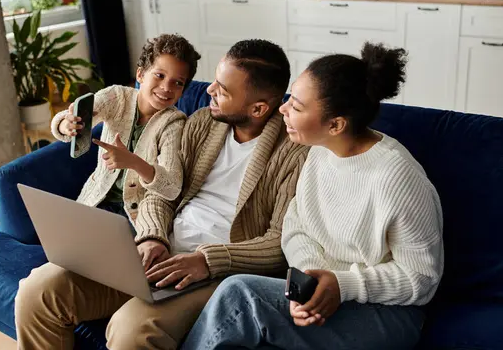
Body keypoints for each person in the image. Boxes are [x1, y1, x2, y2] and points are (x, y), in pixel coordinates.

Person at [14, 39, 309, 350]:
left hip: (216, 271)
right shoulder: (201, 124)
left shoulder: (296, 154)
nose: (208, 91)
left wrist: (206, 261)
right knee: (39, 292)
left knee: (131, 331)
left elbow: (280, 242)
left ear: (258, 108)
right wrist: (153, 236)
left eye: (222, 89)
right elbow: (163, 191)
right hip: (159, 250)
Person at [182, 42, 444, 350]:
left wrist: (341, 285)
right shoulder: (319, 153)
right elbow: (296, 228)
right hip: (325, 294)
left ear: (335, 125)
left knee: (239, 294)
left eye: (296, 106)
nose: (282, 109)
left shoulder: (398, 179)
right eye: (291, 97)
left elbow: (422, 279)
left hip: (387, 313)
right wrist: (309, 283)